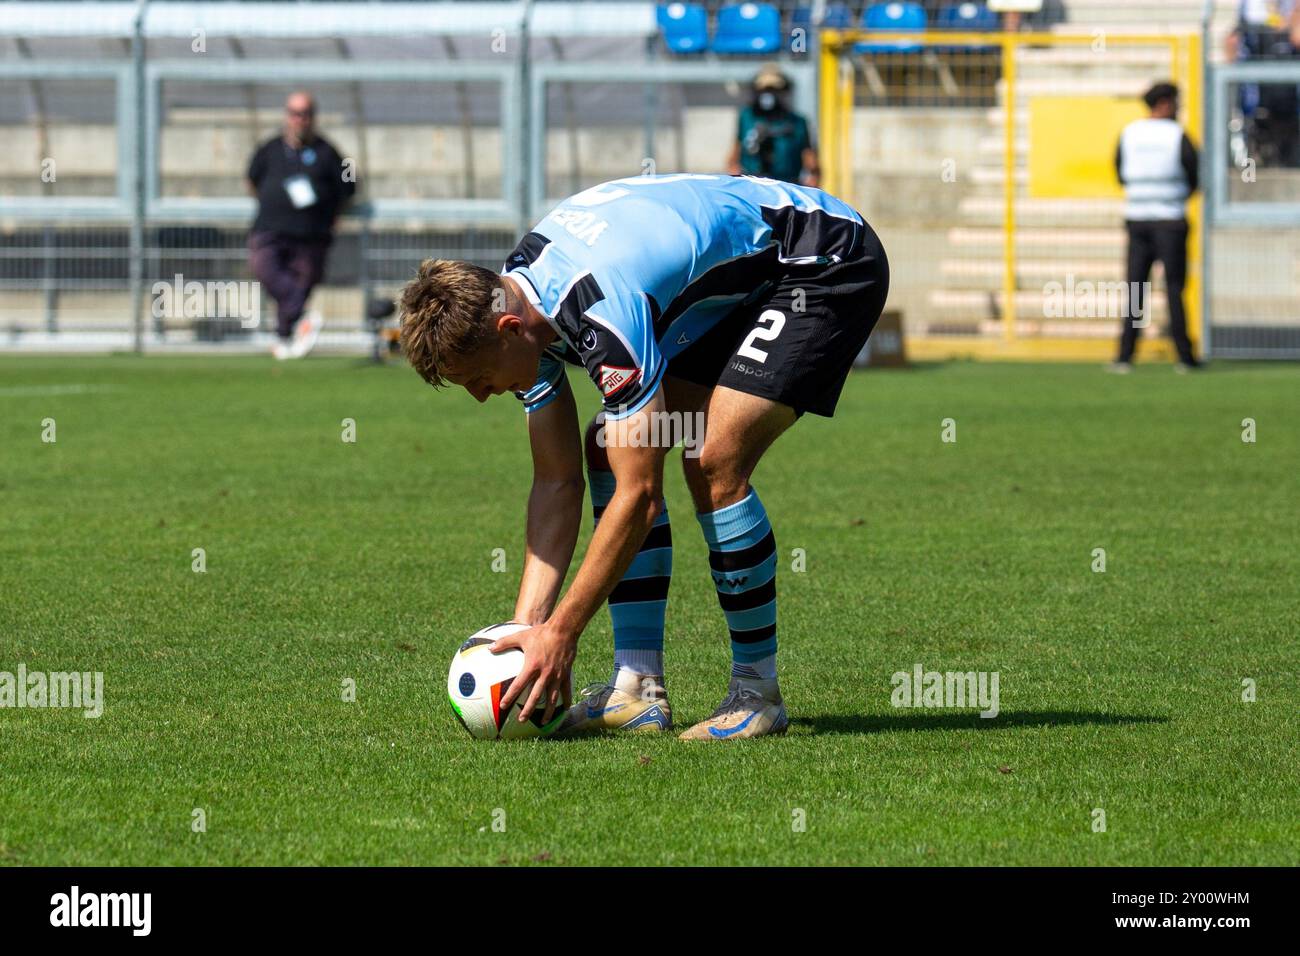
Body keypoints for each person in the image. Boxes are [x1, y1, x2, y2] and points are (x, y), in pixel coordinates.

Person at [399, 174, 888, 740]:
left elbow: (641, 496)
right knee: (608, 450)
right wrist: (526, 630)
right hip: (738, 279)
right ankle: (635, 690)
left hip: (822, 261)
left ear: (510, 329)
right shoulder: (520, 297)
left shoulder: (604, 314)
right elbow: (556, 481)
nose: (482, 396)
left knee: (711, 459)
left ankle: (758, 694)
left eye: (479, 380)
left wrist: (563, 632)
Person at [247, 91, 355, 360]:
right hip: (269, 228)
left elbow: (350, 181)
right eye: (295, 113)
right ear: (287, 116)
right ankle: (304, 317)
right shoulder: (269, 149)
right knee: (264, 268)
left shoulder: (328, 152)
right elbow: (251, 178)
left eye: (305, 113)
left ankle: (284, 338)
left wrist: (336, 212)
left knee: (304, 281)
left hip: (311, 234)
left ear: (313, 117)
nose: (300, 119)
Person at [1111, 82, 1201, 372]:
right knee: (1174, 288)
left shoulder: (1129, 133)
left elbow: (1119, 171)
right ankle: (1184, 357)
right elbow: (1193, 174)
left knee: (1136, 288)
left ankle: (1125, 356)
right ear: (1165, 103)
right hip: (1171, 220)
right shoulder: (1177, 135)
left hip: (1137, 218)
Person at [726, 65, 820, 186]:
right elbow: (734, 157)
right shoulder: (746, 118)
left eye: (774, 89)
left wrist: (808, 188)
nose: (768, 94)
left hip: (786, 186)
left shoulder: (797, 122)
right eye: (763, 89)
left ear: (784, 91)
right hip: (752, 185)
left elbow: (811, 163)